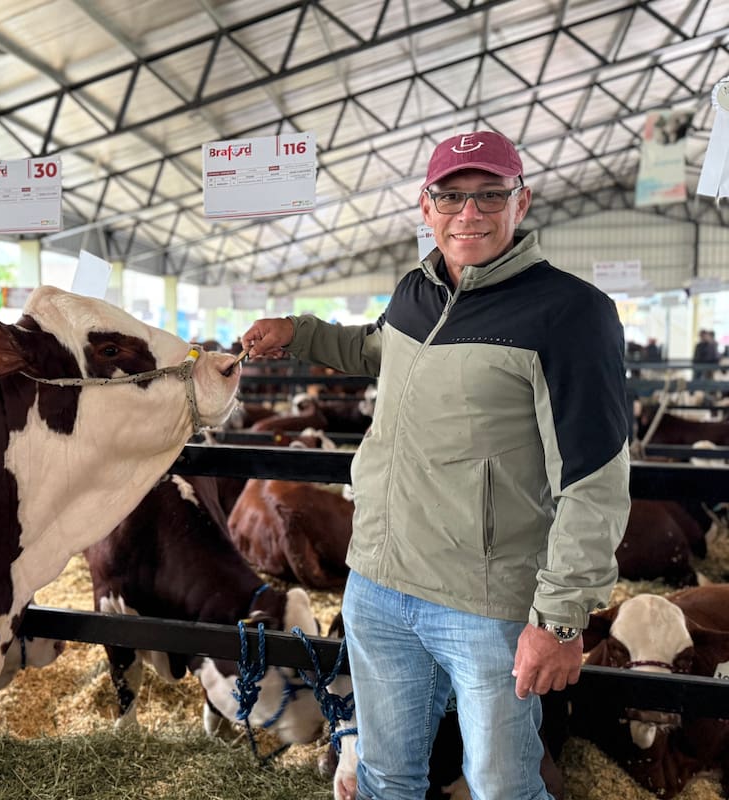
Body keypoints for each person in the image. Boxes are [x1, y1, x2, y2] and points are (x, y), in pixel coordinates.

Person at [241, 130, 631, 800]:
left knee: (501, 785)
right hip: (378, 585)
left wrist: (562, 617)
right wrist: (298, 331)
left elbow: (595, 479)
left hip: (487, 604)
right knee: (385, 775)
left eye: (489, 195)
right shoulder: (415, 291)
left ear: (522, 201)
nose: (468, 213)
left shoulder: (571, 314)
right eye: (451, 196)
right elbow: (378, 348)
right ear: (426, 206)